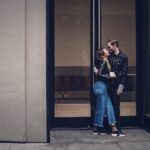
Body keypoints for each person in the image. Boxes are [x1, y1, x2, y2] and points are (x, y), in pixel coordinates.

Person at [93, 48, 122, 136]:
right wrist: (110, 75)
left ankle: (113, 126)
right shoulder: (103, 61)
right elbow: (99, 74)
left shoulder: (105, 60)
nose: (107, 50)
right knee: (101, 107)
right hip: (100, 87)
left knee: (108, 106)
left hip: (102, 87)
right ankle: (97, 127)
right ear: (102, 53)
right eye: (106, 50)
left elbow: (97, 70)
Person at [107, 39, 128, 136]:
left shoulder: (123, 56)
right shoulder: (109, 56)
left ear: (115, 45)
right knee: (108, 106)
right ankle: (110, 127)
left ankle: (118, 127)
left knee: (116, 106)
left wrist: (121, 86)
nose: (108, 48)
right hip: (108, 85)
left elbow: (124, 72)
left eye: (109, 46)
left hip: (116, 85)